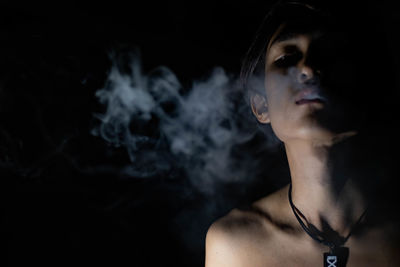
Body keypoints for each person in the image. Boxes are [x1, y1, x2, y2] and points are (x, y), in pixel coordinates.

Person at [205, 0, 400, 266]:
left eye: (332, 53)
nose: (308, 68)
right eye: (287, 58)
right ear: (261, 105)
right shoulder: (234, 245)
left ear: (367, 88)